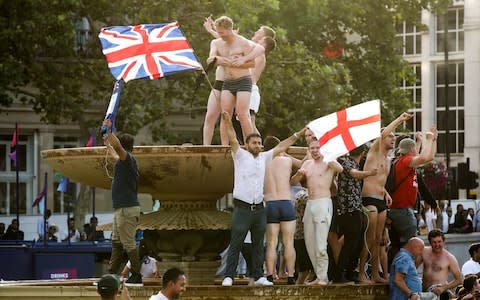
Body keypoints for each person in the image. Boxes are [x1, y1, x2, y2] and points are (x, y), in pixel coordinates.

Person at [220, 111, 305, 287]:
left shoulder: (265, 157)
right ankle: (229, 276)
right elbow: (232, 138)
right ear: (247, 144)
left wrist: (299, 133)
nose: (258, 145)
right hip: (242, 208)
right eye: (254, 143)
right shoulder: (240, 155)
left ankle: (259, 276)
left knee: (260, 245)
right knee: (236, 243)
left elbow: (282, 146)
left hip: (259, 208)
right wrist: (228, 122)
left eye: (259, 143)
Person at [359, 112, 413, 283]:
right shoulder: (374, 151)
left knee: (378, 241)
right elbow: (383, 135)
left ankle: (376, 274)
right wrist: (399, 120)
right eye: (390, 136)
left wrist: (386, 193)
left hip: (381, 199)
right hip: (368, 199)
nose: (393, 138)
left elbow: (380, 180)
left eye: (394, 137)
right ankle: (361, 272)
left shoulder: (389, 159)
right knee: (368, 238)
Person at [290, 140, 343, 285]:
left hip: (323, 201)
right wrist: (298, 175)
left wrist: (329, 157)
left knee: (320, 243)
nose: (314, 150)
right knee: (310, 243)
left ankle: (323, 276)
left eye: (317, 148)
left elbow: (340, 169)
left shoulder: (328, 161)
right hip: (310, 202)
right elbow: (293, 182)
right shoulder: (307, 164)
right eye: (312, 148)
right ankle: (320, 275)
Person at [209, 16, 265, 145]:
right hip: (228, 81)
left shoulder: (242, 42)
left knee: (242, 113)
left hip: (243, 80)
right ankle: (225, 146)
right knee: (225, 114)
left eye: (222, 32)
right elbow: (210, 59)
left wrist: (242, 60)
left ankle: (250, 144)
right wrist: (221, 60)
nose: (220, 35)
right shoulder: (217, 43)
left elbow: (258, 52)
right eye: (218, 32)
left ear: (229, 29)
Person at [389, 125, 438, 263]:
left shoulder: (403, 161)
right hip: (403, 209)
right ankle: (403, 273)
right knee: (410, 246)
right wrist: (428, 139)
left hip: (403, 209)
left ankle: (397, 272)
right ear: (411, 150)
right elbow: (424, 157)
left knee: (400, 245)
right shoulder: (405, 161)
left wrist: (432, 140)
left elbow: (429, 157)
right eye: (415, 148)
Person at [103, 118, 142, 285]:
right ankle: (111, 275)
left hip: (126, 209)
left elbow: (118, 148)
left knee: (128, 243)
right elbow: (115, 151)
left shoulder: (128, 160)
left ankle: (136, 274)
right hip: (121, 209)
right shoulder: (123, 162)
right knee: (116, 242)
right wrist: (107, 143)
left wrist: (110, 131)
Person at [334, 145, 377, 283]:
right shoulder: (346, 162)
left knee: (358, 242)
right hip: (348, 210)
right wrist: (370, 173)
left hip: (356, 209)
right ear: (363, 152)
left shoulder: (354, 163)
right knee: (350, 243)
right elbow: (354, 174)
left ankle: (351, 271)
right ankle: (339, 273)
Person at [263, 136, 296, 285]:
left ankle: (270, 274)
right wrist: (286, 153)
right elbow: (304, 164)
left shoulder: (262, 162)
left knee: (271, 243)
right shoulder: (287, 161)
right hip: (285, 202)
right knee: (289, 243)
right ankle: (291, 275)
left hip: (270, 203)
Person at [421, 229, 463, 299]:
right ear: (430, 242)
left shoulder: (449, 258)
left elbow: (459, 280)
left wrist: (443, 288)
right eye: (434, 242)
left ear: (443, 241)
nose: (437, 245)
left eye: (439, 242)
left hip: (440, 294)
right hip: (425, 293)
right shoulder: (424, 252)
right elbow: (413, 267)